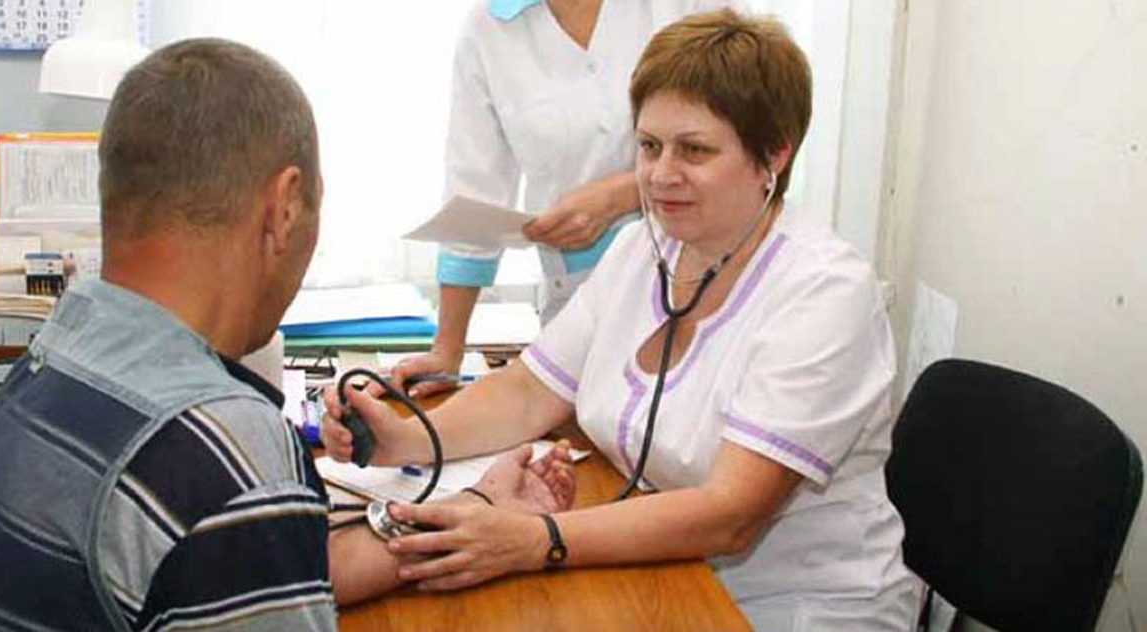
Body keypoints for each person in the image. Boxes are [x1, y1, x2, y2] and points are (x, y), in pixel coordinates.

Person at [0, 38, 575, 630]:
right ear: (285, 207)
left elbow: (222, 564)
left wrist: (474, 512)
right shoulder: (222, 447)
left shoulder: (56, 353)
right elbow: (228, 521)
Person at [324, 10, 921, 630]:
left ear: (774, 153)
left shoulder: (825, 292)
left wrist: (538, 539)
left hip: (805, 605)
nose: (661, 175)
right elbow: (529, 391)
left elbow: (732, 514)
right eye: (649, 146)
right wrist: (407, 440)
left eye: (695, 150)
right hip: (664, 574)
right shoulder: (645, 248)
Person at [380, 0, 749, 399]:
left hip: (716, 282)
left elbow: (756, 136)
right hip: (580, 306)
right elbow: (474, 190)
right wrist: (447, 350)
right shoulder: (488, 28)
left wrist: (620, 196)